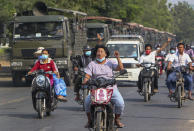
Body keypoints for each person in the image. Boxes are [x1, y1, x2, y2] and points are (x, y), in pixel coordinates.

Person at [82, 44, 125, 128]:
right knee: (87, 102)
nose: (99, 53)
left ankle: (117, 119)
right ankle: (90, 120)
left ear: (105, 54)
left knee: (120, 103)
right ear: (95, 53)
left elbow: (120, 68)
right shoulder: (92, 64)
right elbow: (87, 75)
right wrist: (85, 80)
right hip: (96, 88)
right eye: (98, 51)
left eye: (102, 51)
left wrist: (118, 58)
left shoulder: (110, 62)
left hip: (110, 88)